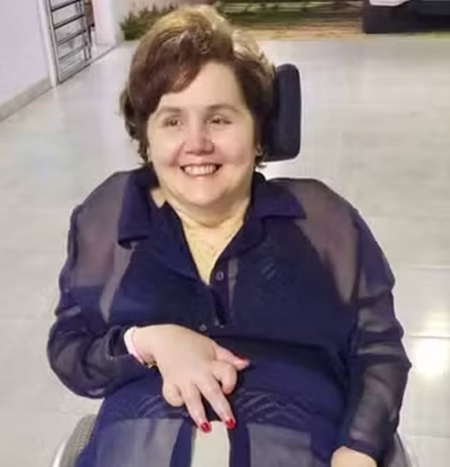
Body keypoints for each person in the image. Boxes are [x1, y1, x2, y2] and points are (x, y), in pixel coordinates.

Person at [47, 5, 412, 467]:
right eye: (172, 121)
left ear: (258, 133)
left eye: (219, 119)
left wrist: (357, 449)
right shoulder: (110, 215)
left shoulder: (320, 220)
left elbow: (377, 350)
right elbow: (70, 347)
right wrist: (148, 342)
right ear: (147, 138)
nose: (197, 142)